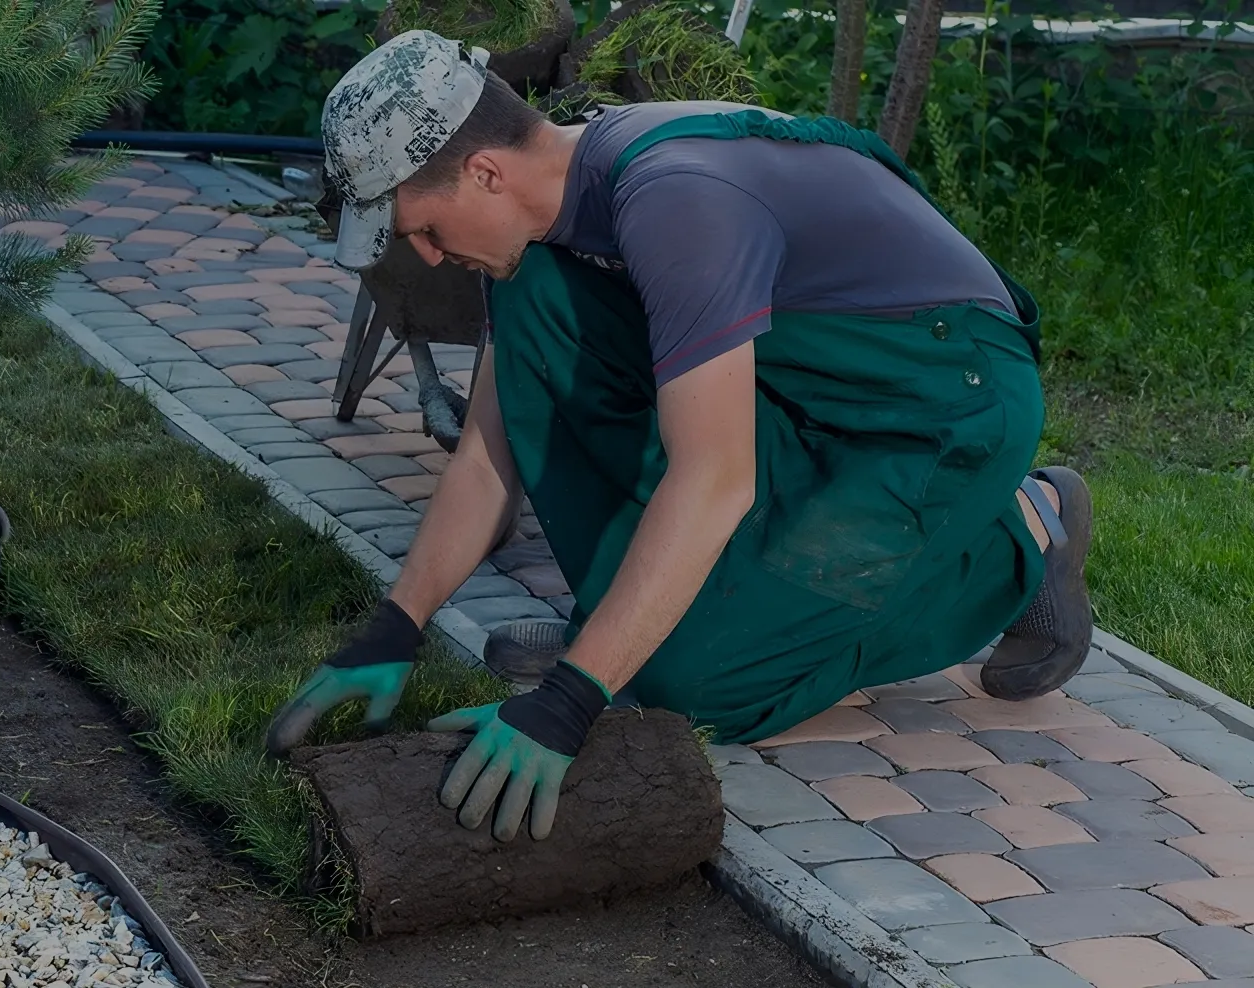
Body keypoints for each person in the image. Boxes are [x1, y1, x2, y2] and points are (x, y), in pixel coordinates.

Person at [262, 30, 1096, 843]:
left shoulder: (675, 199)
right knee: (538, 303)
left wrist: (571, 699)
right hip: (806, 386)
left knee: (691, 688)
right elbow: (490, 453)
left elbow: (714, 480)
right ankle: (649, 618)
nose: (430, 257)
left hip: (938, 409)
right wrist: (397, 623)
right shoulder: (550, 219)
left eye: (423, 228)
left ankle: (1018, 533)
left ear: (483, 170)